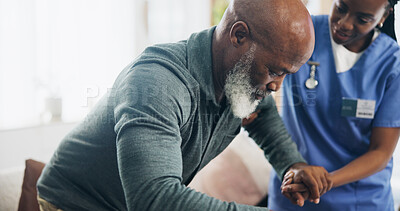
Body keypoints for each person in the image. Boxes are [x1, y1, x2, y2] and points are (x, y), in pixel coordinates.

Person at [36, 0, 330, 210]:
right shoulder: (157, 83)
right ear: (239, 36)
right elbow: (155, 199)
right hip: (73, 202)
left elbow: (262, 120)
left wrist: (293, 164)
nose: (276, 86)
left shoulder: (241, 80)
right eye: (275, 70)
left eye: (286, 75)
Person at [269, 0, 400, 210]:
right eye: (341, 8)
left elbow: (380, 152)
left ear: (384, 17)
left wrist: (324, 181)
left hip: (360, 200)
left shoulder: (393, 63)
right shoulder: (300, 32)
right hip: (294, 190)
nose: (345, 24)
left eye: (363, 19)